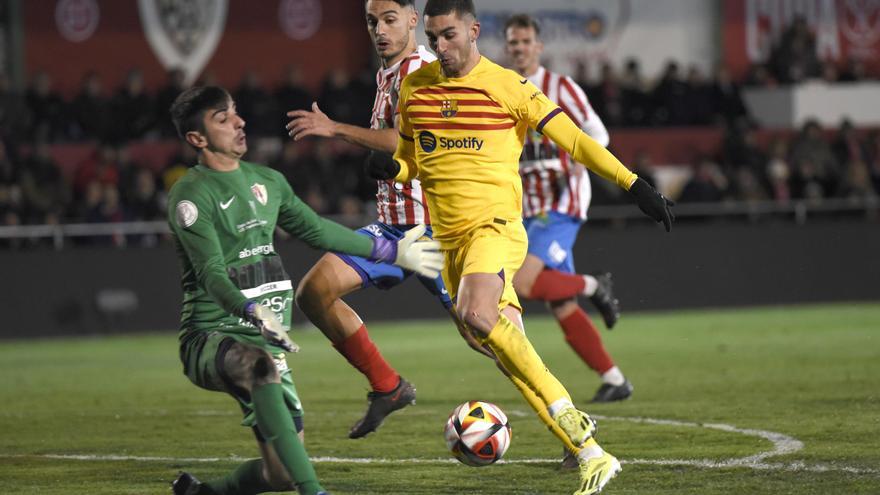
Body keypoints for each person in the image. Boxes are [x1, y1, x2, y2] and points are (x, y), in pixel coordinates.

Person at [365, 1, 674, 493]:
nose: (438, 47)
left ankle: (574, 424)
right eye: (433, 37)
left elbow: (575, 139)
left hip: (498, 228)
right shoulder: (415, 88)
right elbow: (414, 158)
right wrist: (395, 169)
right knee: (502, 347)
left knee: (477, 315)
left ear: (473, 31)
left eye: (448, 36)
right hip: (450, 244)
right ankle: (590, 453)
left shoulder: (507, 86)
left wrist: (635, 185)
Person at [166, 85, 442, 495]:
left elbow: (316, 230)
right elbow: (211, 274)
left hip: (264, 340)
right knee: (260, 366)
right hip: (213, 336)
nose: (239, 122)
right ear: (197, 139)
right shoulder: (191, 196)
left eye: (236, 112)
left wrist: (392, 250)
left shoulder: (268, 182)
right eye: (222, 120)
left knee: (278, 473)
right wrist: (252, 312)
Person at [286, 0, 474, 439]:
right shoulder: (388, 73)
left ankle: (566, 423)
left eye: (390, 20)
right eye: (372, 22)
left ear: (413, 20)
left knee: (482, 334)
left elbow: (403, 141)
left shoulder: (421, 71)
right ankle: (388, 387)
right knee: (314, 292)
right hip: (393, 230)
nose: (380, 30)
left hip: (432, 233)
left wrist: (335, 129)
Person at [504, 14, 633, 404]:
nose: (519, 48)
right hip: (527, 208)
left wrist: (580, 158)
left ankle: (596, 284)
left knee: (521, 284)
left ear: (538, 47)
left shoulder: (560, 87)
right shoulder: (505, 89)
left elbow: (598, 133)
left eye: (525, 41)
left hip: (561, 203)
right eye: (513, 43)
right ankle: (615, 379)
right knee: (560, 303)